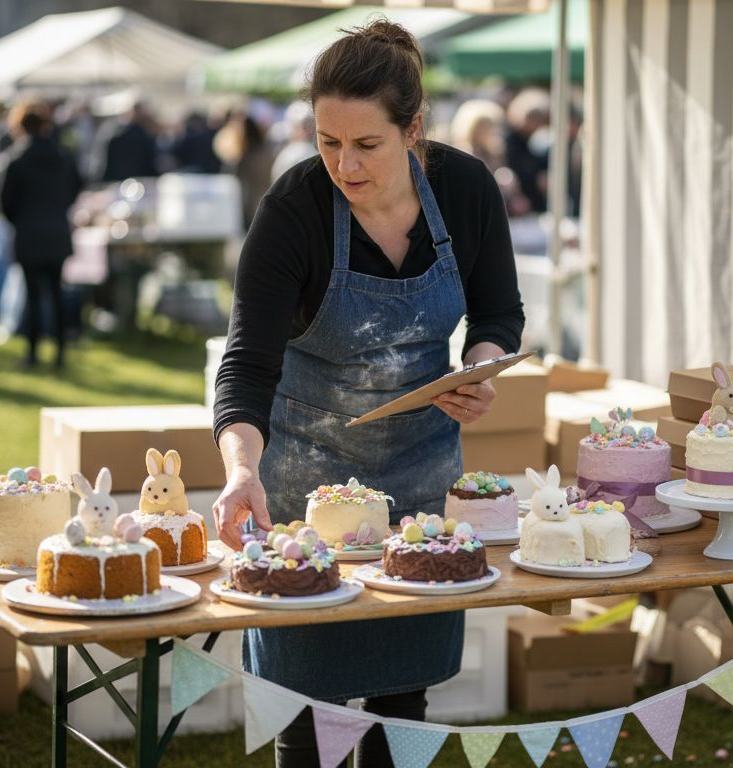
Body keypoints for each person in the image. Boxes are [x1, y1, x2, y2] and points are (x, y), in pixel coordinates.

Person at [212, 19, 524, 767]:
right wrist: (240, 471)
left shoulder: (466, 190)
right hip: (300, 486)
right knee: (305, 706)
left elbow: (499, 313)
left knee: (401, 697)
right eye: (327, 142)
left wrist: (480, 367)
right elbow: (246, 367)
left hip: (418, 478)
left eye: (365, 145)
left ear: (414, 129)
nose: (342, 165)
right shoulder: (294, 209)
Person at [0, 106, 82, 369]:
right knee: (56, 293)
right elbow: (76, 187)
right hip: (56, 231)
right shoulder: (62, 155)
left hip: (29, 233)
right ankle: (59, 354)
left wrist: (22, 219)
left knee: (33, 296)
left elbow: (6, 201)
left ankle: (33, 354)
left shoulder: (16, 158)